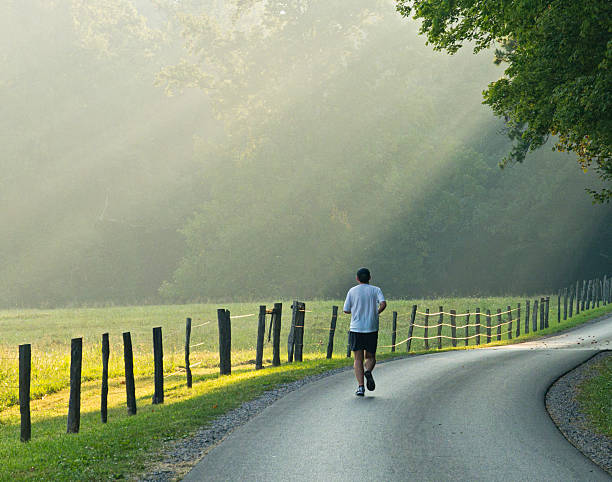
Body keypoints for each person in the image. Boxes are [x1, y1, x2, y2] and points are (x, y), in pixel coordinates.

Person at [343, 267, 386, 396]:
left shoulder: (352, 291)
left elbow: (346, 310)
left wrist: (355, 311)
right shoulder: (376, 290)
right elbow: (383, 303)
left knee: (357, 359)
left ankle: (361, 387)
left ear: (357, 278)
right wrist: (376, 312)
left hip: (356, 328)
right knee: (371, 356)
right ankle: (368, 371)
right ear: (369, 278)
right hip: (371, 327)